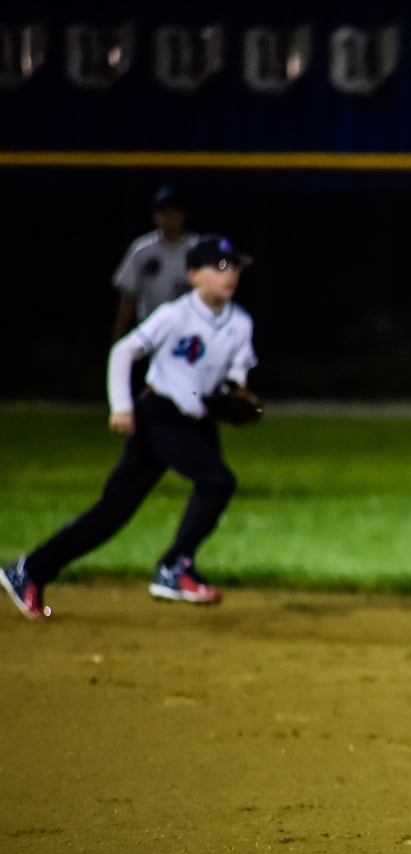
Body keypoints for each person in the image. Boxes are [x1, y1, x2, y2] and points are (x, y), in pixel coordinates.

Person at [2, 235, 258, 620]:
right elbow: (124, 351)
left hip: (196, 420)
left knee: (114, 511)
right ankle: (174, 567)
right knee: (217, 482)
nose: (230, 275)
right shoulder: (176, 315)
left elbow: (235, 375)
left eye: (234, 267)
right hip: (159, 413)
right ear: (193, 275)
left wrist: (235, 394)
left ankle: (30, 569)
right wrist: (121, 406)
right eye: (220, 267)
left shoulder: (240, 323)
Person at [112, 185, 200, 341]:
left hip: (191, 332)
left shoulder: (198, 247)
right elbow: (128, 296)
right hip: (152, 332)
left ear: (183, 214)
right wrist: (119, 336)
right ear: (155, 216)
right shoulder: (142, 249)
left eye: (175, 210)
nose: (170, 215)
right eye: (164, 210)